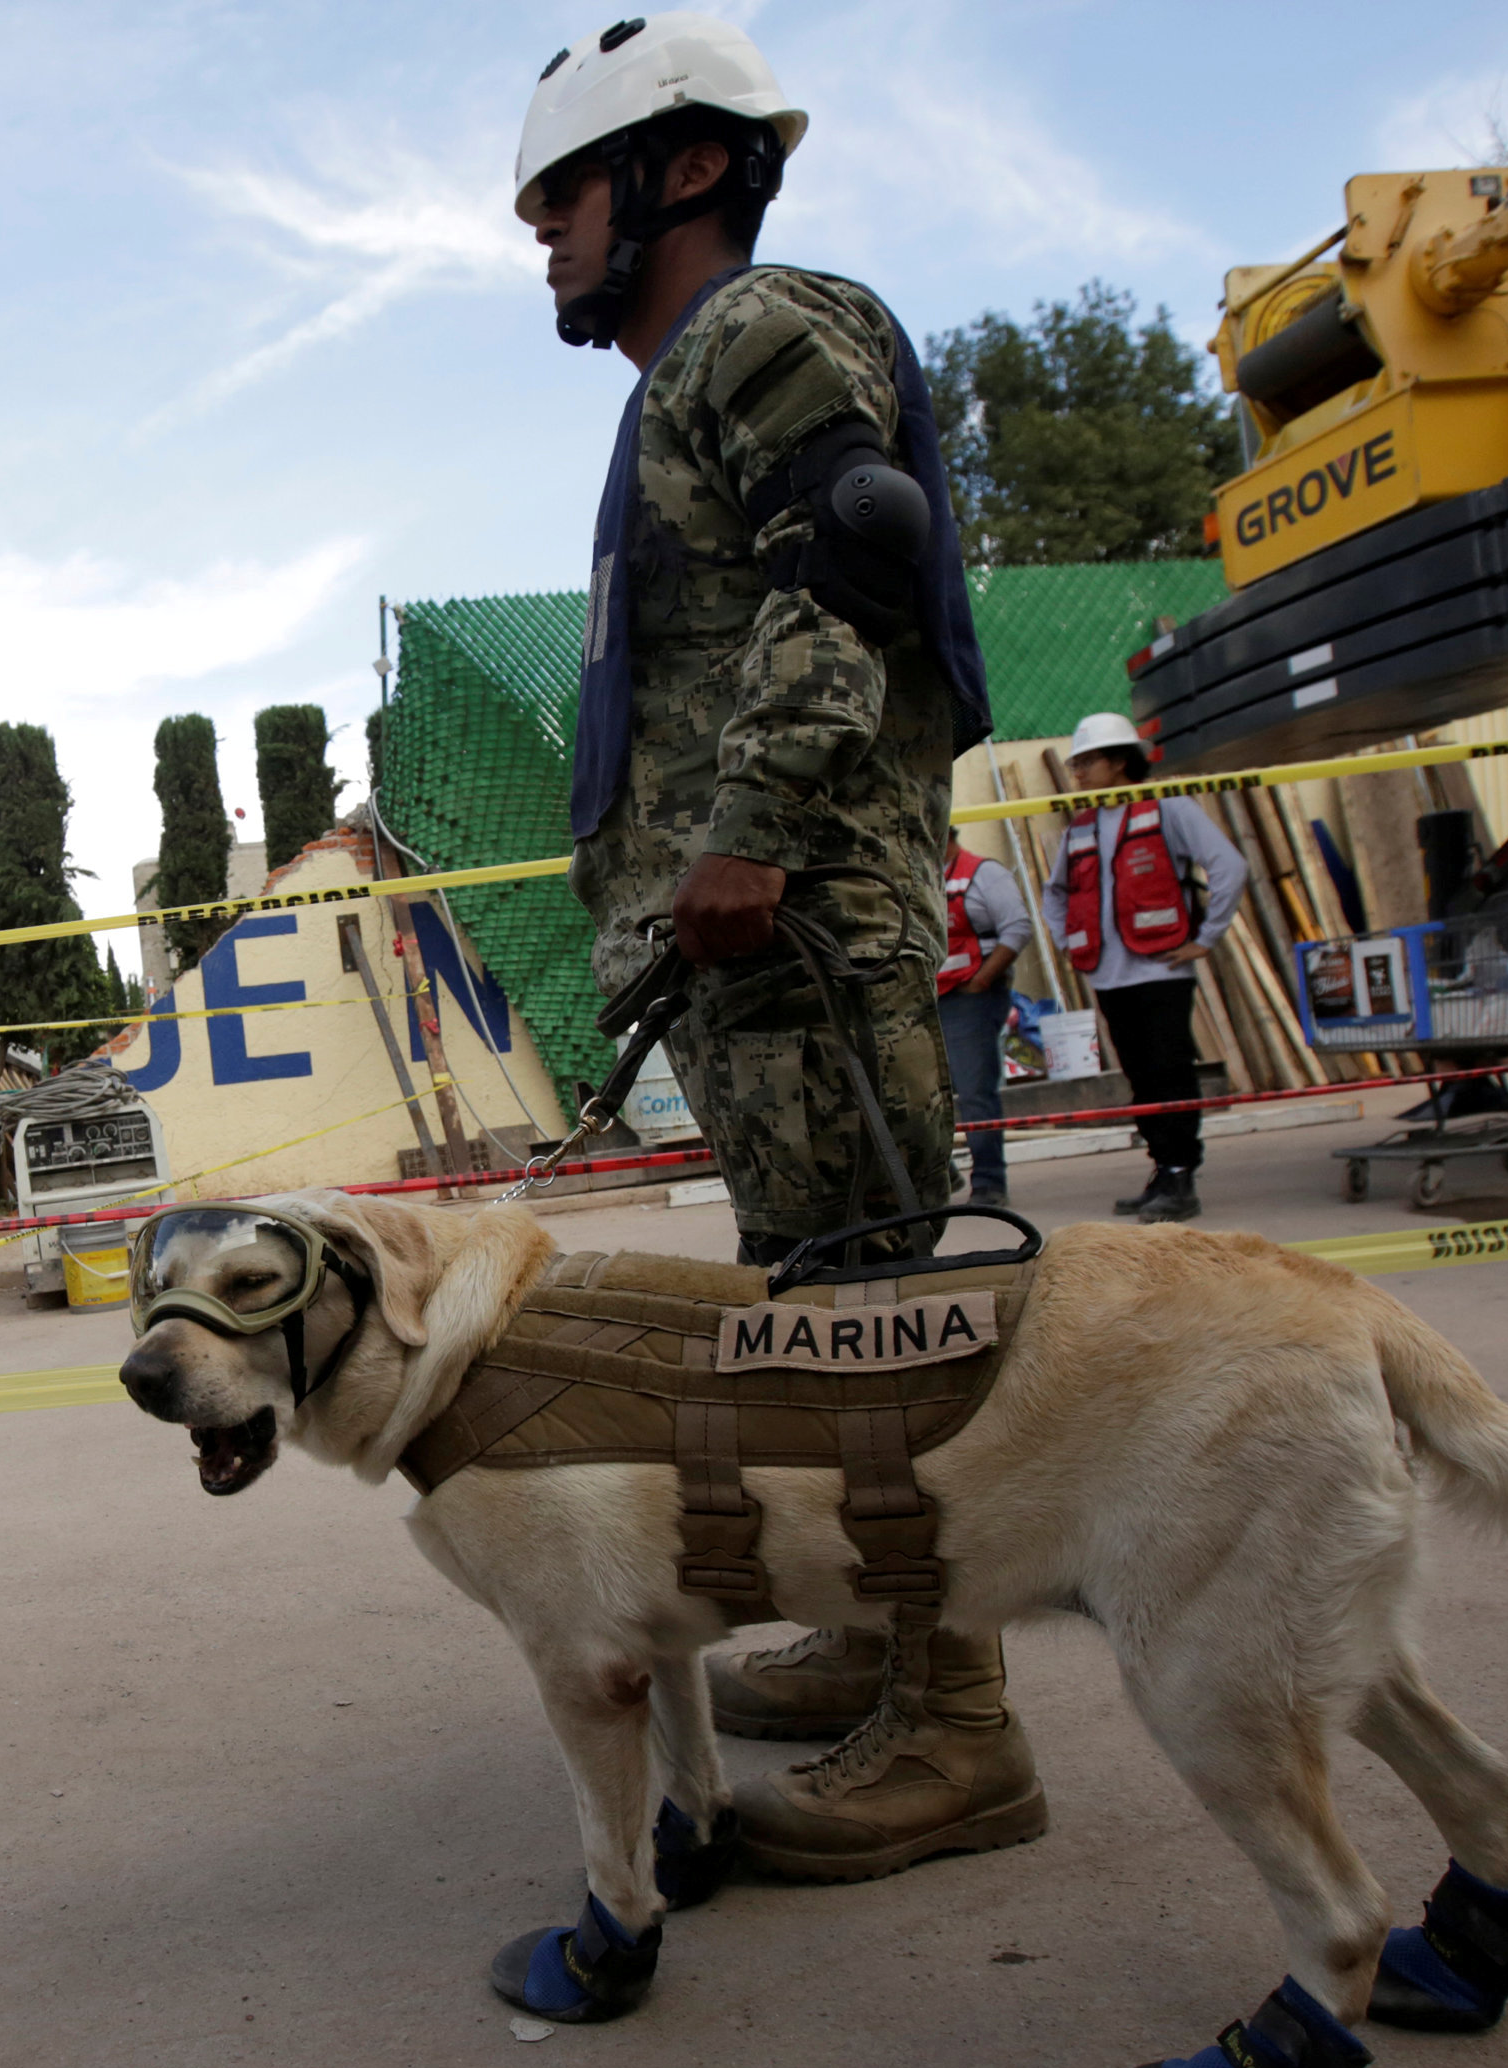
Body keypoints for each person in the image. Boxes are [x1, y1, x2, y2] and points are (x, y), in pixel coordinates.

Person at [514, 16, 1042, 1899]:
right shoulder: (683, 378)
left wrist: (743, 832)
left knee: (882, 1317)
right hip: (753, 934)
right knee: (822, 1308)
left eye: (563, 192)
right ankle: (891, 1632)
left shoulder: (756, 325)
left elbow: (851, 564)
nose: (543, 235)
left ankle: (962, 1721)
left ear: (679, 169)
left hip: (793, 907)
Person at [1041, 712, 1247, 1223]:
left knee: (1169, 1073)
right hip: (1109, 974)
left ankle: (1181, 1174)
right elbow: (1055, 893)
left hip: (1160, 972)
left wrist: (1205, 940)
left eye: (1087, 761)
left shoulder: (1169, 808)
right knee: (1141, 1077)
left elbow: (1229, 865)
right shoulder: (1083, 824)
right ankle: (1163, 1169)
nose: (1079, 772)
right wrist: (1070, 940)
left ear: (1119, 762)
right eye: (1076, 763)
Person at [937, 839, 1032, 1205]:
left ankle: (990, 1182)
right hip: (927, 998)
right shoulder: (917, 877)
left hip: (970, 999)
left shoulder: (983, 874)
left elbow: (1018, 928)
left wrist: (982, 980)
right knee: (922, 1096)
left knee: (975, 1093)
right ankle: (942, 1174)